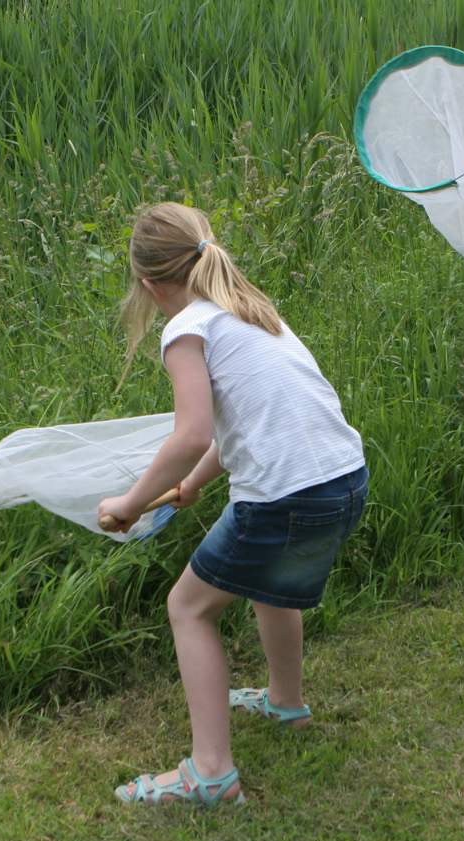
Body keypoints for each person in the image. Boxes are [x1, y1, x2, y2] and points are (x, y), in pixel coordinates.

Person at [99, 202, 368, 804]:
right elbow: (243, 425)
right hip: (346, 480)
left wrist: (132, 501)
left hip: (284, 499)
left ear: (148, 284)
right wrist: (192, 484)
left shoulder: (184, 328)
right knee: (272, 583)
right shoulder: (253, 311)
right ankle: (286, 702)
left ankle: (210, 773)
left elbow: (192, 431)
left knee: (189, 608)